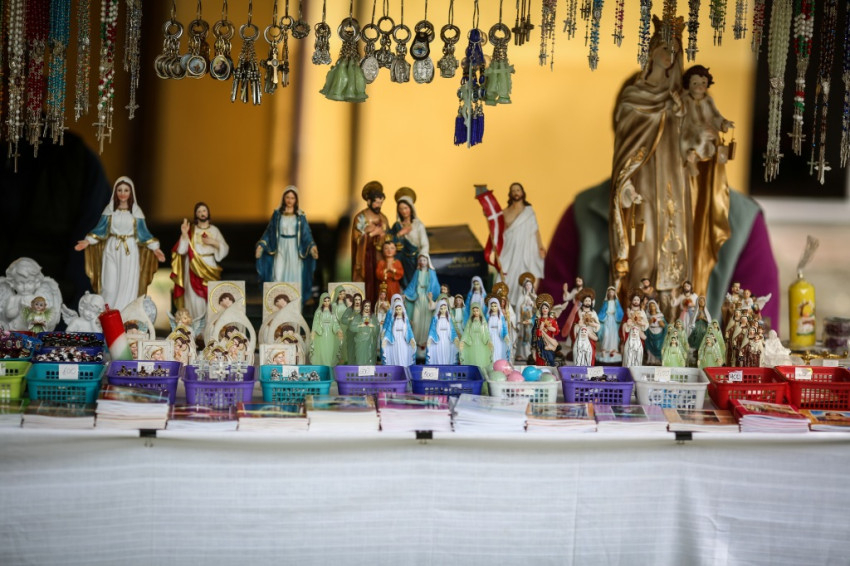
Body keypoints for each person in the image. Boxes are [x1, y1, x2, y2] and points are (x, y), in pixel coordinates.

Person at [539, 16, 779, 332]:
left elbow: (760, 329)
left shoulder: (741, 221)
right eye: (643, 131)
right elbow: (551, 319)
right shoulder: (585, 213)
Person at [74, 177, 166, 312]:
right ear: (115, 192)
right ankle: (107, 314)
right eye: (120, 190)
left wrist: (155, 248)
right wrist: (88, 241)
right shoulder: (109, 211)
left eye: (126, 190)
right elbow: (101, 229)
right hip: (112, 247)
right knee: (109, 285)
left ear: (131, 192)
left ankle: (125, 316)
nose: (123, 193)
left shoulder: (136, 212)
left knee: (126, 284)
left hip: (129, 250)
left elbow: (143, 233)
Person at [256, 186, 319, 308]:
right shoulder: (277, 215)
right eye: (287, 197)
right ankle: (277, 305)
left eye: (292, 198)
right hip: (280, 247)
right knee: (277, 273)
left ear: (296, 200)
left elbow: (306, 234)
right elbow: (269, 232)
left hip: (294, 248)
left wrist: (312, 246)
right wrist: (262, 245)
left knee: (294, 274)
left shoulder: (300, 216)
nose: (290, 200)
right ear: (284, 198)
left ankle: (293, 305)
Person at [172, 202, 230, 325]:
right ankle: (194, 327)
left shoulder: (214, 230)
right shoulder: (191, 230)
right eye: (199, 211)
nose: (202, 213)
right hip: (193, 268)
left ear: (208, 213)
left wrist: (213, 242)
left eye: (204, 211)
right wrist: (184, 234)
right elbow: (181, 250)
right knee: (194, 299)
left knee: (211, 298)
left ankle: (209, 328)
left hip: (210, 266)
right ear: (196, 215)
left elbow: (225, 249)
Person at [498, 182, 545, 313]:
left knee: (526, 276)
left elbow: (535, 231)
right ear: (510, 194)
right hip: (510, 250)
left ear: (522, 192)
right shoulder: (505, 212)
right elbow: (500, 232)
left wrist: (540, 246)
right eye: (513, 190)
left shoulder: (529, 211)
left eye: (518, 190)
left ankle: (524, 306)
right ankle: (507, 307)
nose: (516, 193)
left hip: (527, 250)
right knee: (507, 275)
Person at [352, 181, 390, 303]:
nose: (379, 205)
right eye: (376, 202)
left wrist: (383, 236)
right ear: (369, 201)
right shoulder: (361, 217)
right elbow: (356, 238)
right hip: (365, 256)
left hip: (379, 256)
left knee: (379, 281)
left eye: (381, 203)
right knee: (367, 282)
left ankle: (379, 306)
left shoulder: (383, 218)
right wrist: (371, 234)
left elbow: (388, 237)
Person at [0, 257, 63, 331]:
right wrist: (18, 307)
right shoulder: (13, 299)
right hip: (15, 328)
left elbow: (43, 313)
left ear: (36, 282)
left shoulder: (36, 299)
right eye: (20, 283)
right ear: (13, 283)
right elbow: (8, 315)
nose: (25, 287)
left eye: (29, 283)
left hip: (30, 328)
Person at [389, 187, 430, 289]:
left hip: (414, 259)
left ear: (411, 208)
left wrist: (421, 258)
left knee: (414, 284)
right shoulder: (397, 226)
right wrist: (400, 233)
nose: (404, 211)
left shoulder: (418, 225)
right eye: (401, 209)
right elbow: (390, 242)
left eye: (406, 208)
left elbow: (424, 244)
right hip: (400, 259)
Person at [403, 254, 440, 359]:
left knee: (426, 321)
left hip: (427, 299)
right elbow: (412, 285)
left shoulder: (431, 272)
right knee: (416, 320)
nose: (422, 262)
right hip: (418, 298)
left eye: (424, 260)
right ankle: (416, 343)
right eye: (421, 260)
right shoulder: (417, 272)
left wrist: (431, 296)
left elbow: (435, 286)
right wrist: (405, 294)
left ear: (428, 261)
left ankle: (424, 343)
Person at [310, 293, 343, 366]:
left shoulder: (332, 313)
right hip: (322, 334)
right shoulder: (319, 312)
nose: (327, 302)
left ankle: (329, 365)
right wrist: (314, 331)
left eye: (328, 301)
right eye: (325, 301)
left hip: (330, 335)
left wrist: (338, 330)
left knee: (330, 350)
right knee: (323, 350)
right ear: (322, 301)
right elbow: (315, 323)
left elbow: (335, 322)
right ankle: (323, 365)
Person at [381, 298, 416, 367]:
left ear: (402, 309)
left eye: (400, 309)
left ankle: (404, 368)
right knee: (396, 355)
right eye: (396, 309)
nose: (398, 311)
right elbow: (389, 331)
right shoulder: (393, 320)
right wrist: (385, 339)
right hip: (395, 341)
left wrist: (411, 339)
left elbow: (409, 330)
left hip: (403, 341)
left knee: (403, 355)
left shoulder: (405, 320)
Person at [459, 302, 492, 372]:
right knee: (473, 357)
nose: (475, 312)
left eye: (477, 311)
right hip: (472, 342)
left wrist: (488, 341)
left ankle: (482, 373)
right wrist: (463, 341)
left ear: (480, 311)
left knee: (481, 357)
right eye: (474, 311)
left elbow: (486, 332)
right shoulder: (470, 321)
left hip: (481, 341)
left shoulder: (483, 321)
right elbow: (466, 331)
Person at [426, 299, 459, 365]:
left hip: (447, 340)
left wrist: (455, 338)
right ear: (439, 309)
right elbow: (432, 330)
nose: (443, 310)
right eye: (441, 308)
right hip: (439, 340)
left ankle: (447, 368)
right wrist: (430, 338)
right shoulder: (435, 318)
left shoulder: (449, 318)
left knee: (447, 353)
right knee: (439, 354)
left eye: (445, 308)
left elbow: (452, 330)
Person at [596, 286, 624, 362]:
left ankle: (613, 350)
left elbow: (620, 312)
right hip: (607, 319)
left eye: (612, 292)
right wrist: (599, 317)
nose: (611, 293)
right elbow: (602, 311)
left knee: (614, 335)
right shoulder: (605, 302)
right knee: (606, 334)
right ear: (608, 293)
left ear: (615, 293)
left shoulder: (616, 302)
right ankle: (604, 349)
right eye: (610, 292)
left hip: (614, 320)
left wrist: (617, 314)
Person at [533, 294, 559, 366]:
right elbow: (535, 332)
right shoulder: (538, 320)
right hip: (540, 342)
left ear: (549, 309)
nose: (544, 309)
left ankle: (549, 368)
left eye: (546, 308)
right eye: (543, 308)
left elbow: (556, 330)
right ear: (541, 310)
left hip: (549, 341)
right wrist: (540, 328)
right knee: (540, 358)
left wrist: (552, 329)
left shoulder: (552, 320)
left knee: (550, 357)